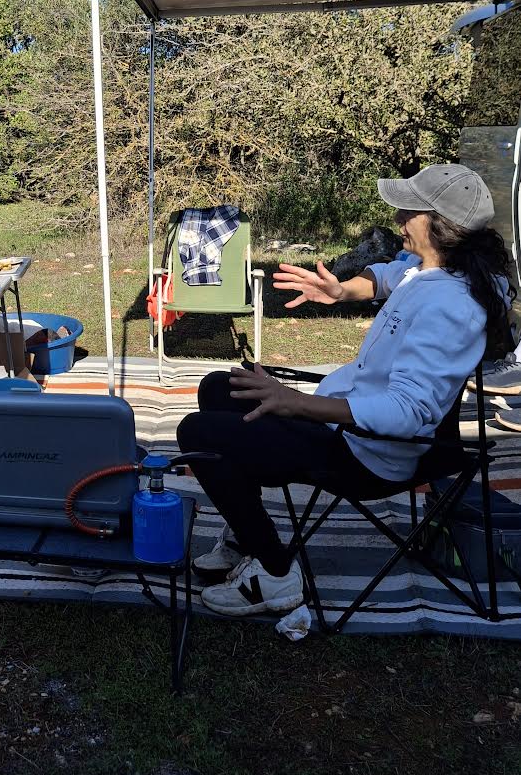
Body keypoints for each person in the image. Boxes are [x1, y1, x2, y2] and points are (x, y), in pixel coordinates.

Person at [176, 164, 513, 618]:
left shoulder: (452, 306)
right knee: (221, 388)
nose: (398, 219)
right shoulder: (431, 268)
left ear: (440, 224)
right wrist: (340, 290)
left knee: (198, 433)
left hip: (370, 454)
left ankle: (275, 574)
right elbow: (389, 275)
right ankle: (247, 537)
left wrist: (298, 403)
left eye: (409, 211)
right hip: (346, 428)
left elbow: (409, 412)